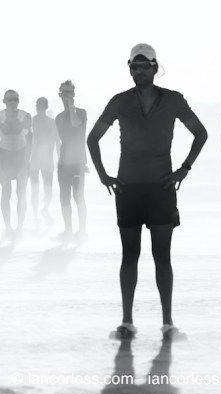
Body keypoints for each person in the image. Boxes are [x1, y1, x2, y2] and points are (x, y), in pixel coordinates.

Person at [87, 43, 207, 341]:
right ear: (129, 69)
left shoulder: (173, 100)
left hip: (161, 188)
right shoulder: (119, 101)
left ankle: (168, 323)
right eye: (134, 66)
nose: (138, 71)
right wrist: (103, 176)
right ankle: (127, 322)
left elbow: (201, 133)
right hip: (128, 188)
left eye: (144, 66)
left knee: (162, 256)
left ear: (155, 67)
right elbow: (93, 138)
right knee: (129, 255)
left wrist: (184, 169)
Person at [0, 90, 32, 236]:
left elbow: (30, 142)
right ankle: (8, 227)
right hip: (5, 157)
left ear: (18, 101)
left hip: (21, 156)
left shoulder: (25, 117)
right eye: (10, 100)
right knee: (6, 192)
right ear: (4, 101)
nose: (13, 102)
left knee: (21, 193)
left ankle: (19, 228)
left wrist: (25, 165)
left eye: (15, 99)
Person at [54, 80, 88, 244]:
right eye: (64, 93)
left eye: (69, 92)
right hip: (63, 163)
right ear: (60, 95)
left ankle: (82, 232)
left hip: (77, 162)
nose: (66, 95)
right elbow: (62, 138)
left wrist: (71, 107)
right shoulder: (59, 117)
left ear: (73, 94)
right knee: (64, 197)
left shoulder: (81, 112)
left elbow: (75, 124)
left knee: (78, 197)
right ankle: (68, 230)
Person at [29, 97, 58, 226]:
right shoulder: (31, 121)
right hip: (34, 160)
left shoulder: (52, 122)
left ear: (45, 107)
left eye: (40, 105)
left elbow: (57, 141)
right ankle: (36, 215)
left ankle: (44, 210)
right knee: (36, 189)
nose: (38, 107)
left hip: (45, 160)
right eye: (37, 105)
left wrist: (60, 157)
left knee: (47, 190)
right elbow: (26, 141)